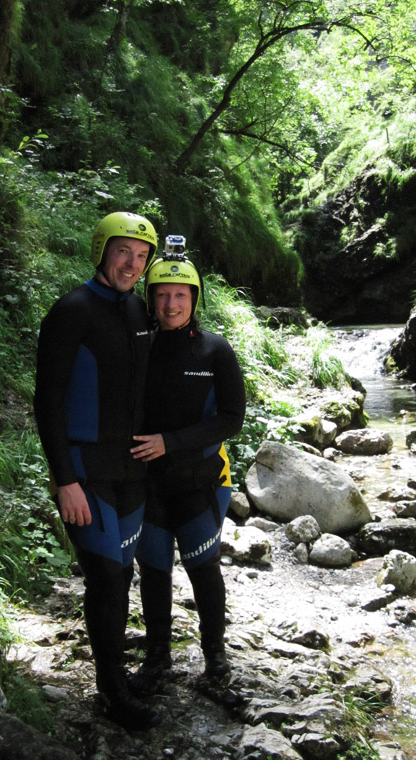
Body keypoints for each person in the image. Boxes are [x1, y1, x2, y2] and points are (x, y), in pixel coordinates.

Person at [33, 211, 161, 730]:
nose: (132, 264)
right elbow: (47, 400)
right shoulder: (72, 311)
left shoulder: (138, 310)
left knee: (120, 576)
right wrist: (64, 479)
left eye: (141, 256)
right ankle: (111, 691)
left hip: (131, 469)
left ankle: (115, 672)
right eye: (122, 251)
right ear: (101, 250)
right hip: (86, 470)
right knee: (106, 577)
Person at [130, 245, 246, 689]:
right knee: (155, 572)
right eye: (162, 295)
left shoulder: (216, 352)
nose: (171, 305)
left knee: (204, 569)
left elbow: (231, 419)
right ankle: (158, 655)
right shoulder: (140, 349)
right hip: (149, 486)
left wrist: (170, 443)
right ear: (150, 298)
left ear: (195, 299)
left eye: (181, 295)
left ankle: (215, 655)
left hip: (200, 483)